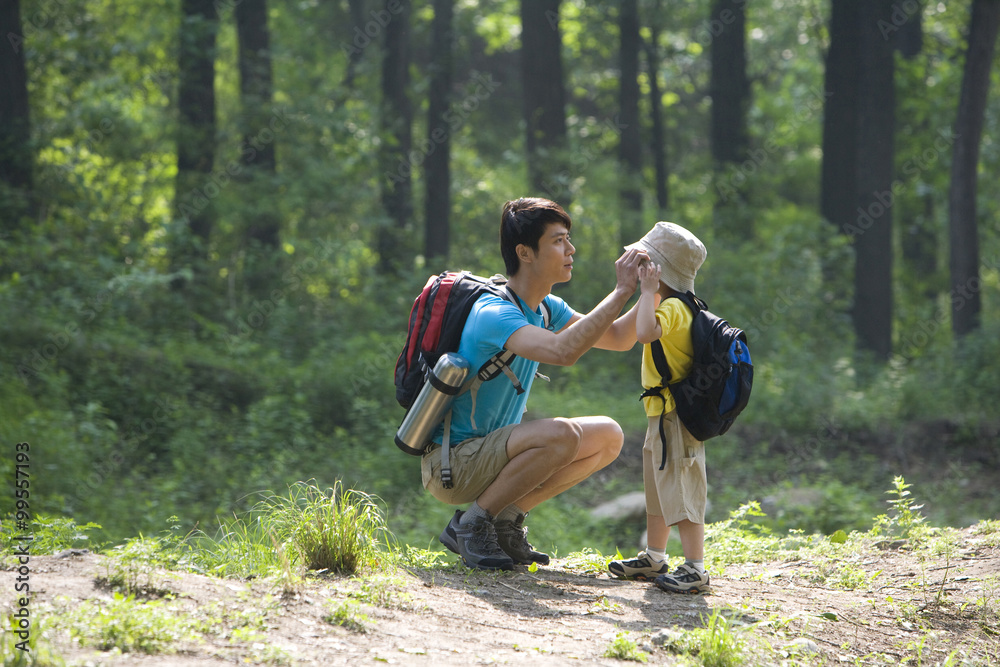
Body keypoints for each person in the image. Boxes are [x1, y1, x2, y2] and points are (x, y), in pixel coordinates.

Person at [425, 197, 648, 571]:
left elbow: (620, 337)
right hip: (454, 464)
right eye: (559, 240)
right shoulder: (494, 312)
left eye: (568, 239)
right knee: (562, 434)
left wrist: (652, 286)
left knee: (607, 435)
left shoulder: (546, 307)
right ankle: (471, 525)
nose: (571, 249)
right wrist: (621, 291)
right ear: (525, 253)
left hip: (492, 456)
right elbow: (563, 351)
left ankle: (504, 521)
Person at [606, 221, 711, 594]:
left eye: (648, 263)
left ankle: (696, 568)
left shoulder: (677, 308)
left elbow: (645, 334)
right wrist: (649, 293)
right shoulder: (666, 303)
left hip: (676, 416)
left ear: (661, 270)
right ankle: (655, 556)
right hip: (660, 412)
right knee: (658, 489)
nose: (640, 268)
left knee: (682, 488)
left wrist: (647, 291)